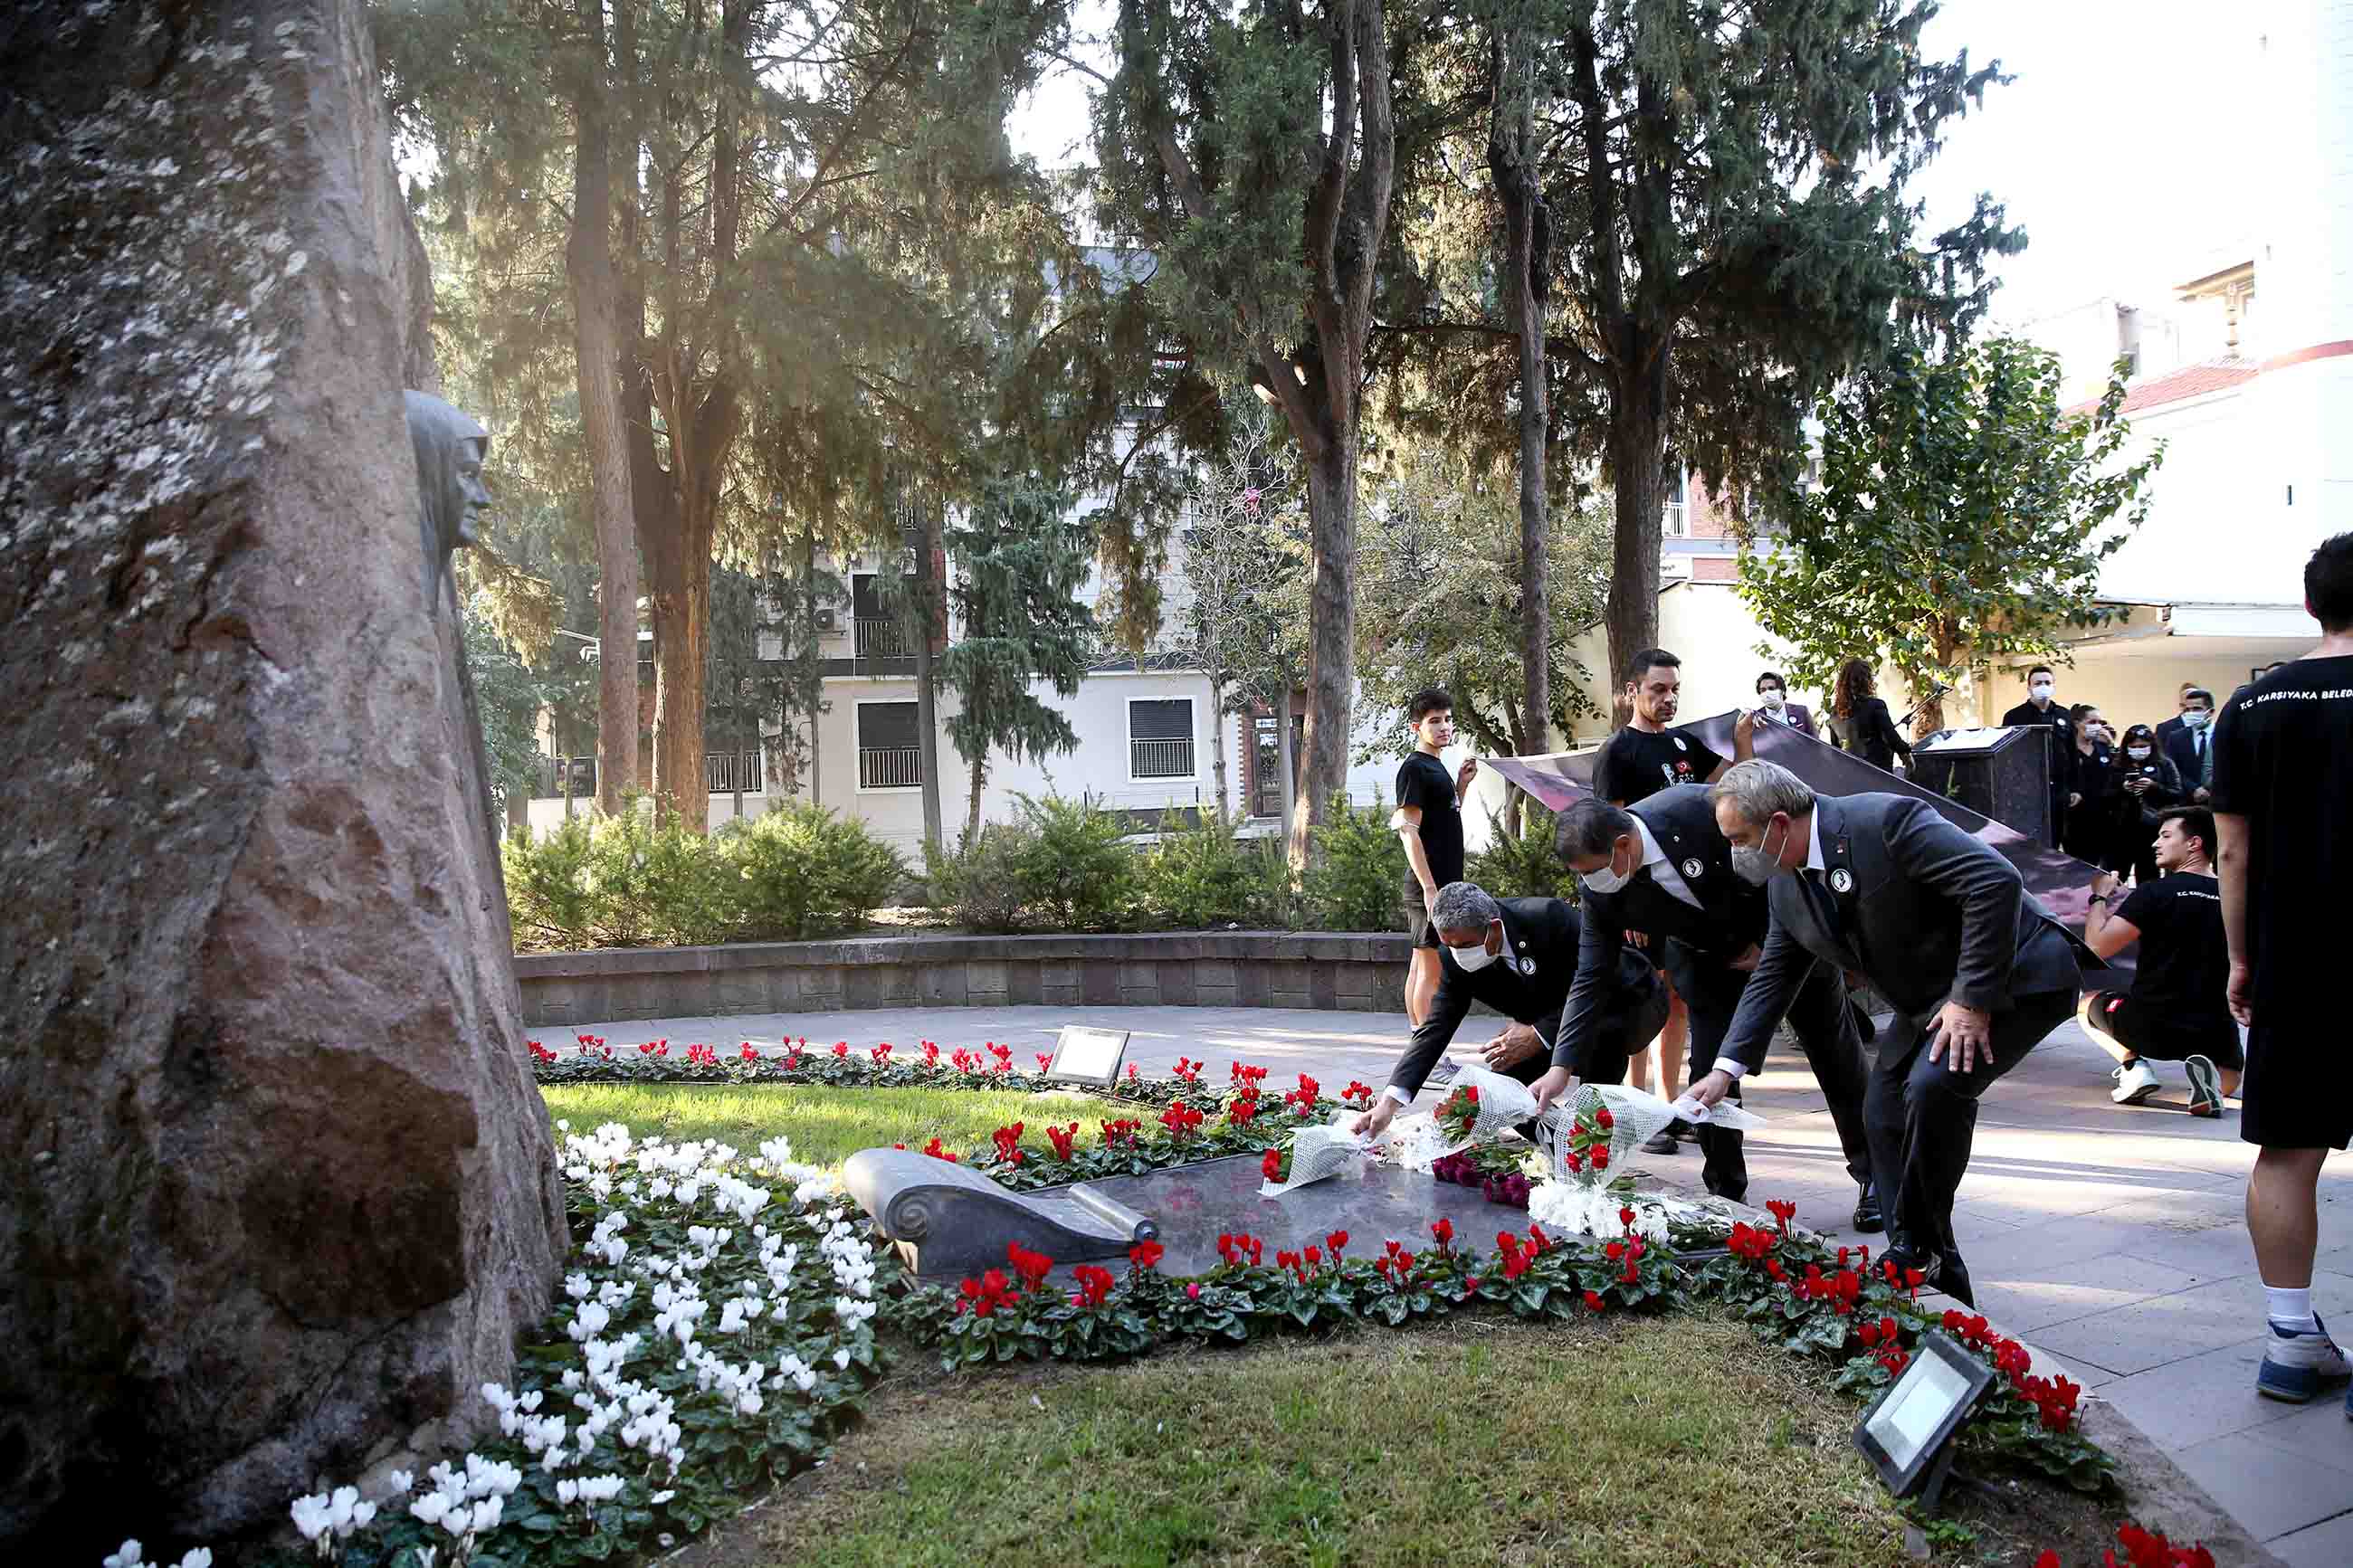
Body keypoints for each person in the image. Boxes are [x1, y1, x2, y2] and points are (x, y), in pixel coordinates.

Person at [1694, 760, 2094, 1307]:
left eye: (1740, 838)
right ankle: (1937, 1268)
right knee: (1881, 1113)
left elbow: (1995, 881)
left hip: (2016, 972)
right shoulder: (1786, 887)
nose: (1737, 852)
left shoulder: (1885, 820)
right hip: (1928, 1002)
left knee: (1933, 1087)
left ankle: (1914, 1246)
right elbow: (1773, 976)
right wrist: (1725, 1071)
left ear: (1780, 823)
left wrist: (1971, 1001)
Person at [1536, 789, 1881, 1231]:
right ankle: (1726, 1196)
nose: (1589, 883)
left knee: (1837, 1059)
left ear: (1623, 846)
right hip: (1707, 964)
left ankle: (1876, 1177)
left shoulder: (1701, 810)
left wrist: (1776, 945)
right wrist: (1562, 1066)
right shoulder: (1602, 889)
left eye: (1592, 871)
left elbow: (1785, 861)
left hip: (1789, 943)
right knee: (1709, 1077)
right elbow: (1591, 975)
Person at [2212, 529, 2353, 1407]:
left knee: (2285, 1149)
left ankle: (2288, 1337)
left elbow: (2230, 848)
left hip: (2294, 959)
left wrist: (2238, 955)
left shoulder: (2251, 704)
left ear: (2309, 603)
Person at [1591, 649, 1758, 1149]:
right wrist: (1626, 908)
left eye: (1673, 690)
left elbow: (1735, 791)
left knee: (1679, 1002)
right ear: (1632, 692)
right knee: (1647, 999)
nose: (1667, 699)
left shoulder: (1686, 744)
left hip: (1689, 897)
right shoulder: (1617, 752)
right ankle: (1638, 1109)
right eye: (1657, 690)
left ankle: (1674, 1108)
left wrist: (1743, 743)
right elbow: (1609, 835)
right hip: (1645, 901)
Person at [1348, 881, 1668, 1139]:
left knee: (1595, 1093)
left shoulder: (1549, 919)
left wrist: (1539, 1033)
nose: (1457, 955)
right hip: (1555, 1018)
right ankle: (1561, 1143)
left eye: (1464, 946)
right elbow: (1436, 1028)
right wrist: (1388, 1104)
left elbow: (1601, 986)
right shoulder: (1454, 957)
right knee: (1506, 1087)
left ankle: (1592, 1140)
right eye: (1449, 946)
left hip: (1626, 1003)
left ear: (1495, 928)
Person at [2078, 807, 2239, 1117]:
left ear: (2194, 843)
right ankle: (2211, 1087)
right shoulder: (2234, 896)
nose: (2155, 843)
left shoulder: (2154, 893)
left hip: (2151, 1024)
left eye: (2165, 836)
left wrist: (2099, 897)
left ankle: (2134, 1067)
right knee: (2229, 1081)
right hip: (2214, 1028)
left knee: (2087, 1005)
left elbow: (2098, 946)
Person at [1392, 689, 1476, 1028]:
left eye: (1448, 720)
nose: (1444, 727)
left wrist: (1461, 786)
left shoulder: (1435, 766)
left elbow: (1442, 818)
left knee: (1419, 964)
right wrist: (1430, 888)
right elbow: (1408, 831)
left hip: (1441, 882)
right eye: (1435, 721)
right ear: (1417, 727)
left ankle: (1419, 1046)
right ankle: (1431, 1055)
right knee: (1431, 969)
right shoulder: (1414, 769)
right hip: (1429, 884)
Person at [2000, 665, 2074, 849]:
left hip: (2059, 790)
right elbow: (2007, 755)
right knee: (2031, 841)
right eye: (2038, 683)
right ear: (2029, 687)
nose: (2043, 686)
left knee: (2056, 841)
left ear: (2054, 685)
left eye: (2047, 682)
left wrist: (2075, 788)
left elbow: (2072, 753)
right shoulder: (2014, 716)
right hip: (2028, 791)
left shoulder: (2063, 715)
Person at [2106, 723, 2185, 886]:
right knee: (2116, 874)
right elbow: (2105, 795)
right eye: (2133, 746)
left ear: (2152, 746)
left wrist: (2153, 786)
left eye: (2143, 746)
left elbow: (2177, 794)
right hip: (2121, 829)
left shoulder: (2164, 764)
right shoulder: (2116, 765)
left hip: (2152, 828)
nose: (2138, 750)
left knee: (2149, 875)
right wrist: (2123, 788)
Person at [1824, 658, 1913, 774]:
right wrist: (1905, 754)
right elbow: (1890, 735)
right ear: (1867, 680)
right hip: (1876, 772)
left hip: (1848, 774)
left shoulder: (1834, 714)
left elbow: (1836, 751)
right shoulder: (1875, 705)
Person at [2063, 703, 2116, 866]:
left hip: (2102, 815)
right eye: (2092, 722)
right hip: (2076, 817)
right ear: (2077, 723)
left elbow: (2115, 774)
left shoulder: (2102, 748)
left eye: (2100, 722)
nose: (2097, 727)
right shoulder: (2067, 749)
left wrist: (2111, 745)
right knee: (2079, 863)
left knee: (2100, 862)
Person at [2159, 687, 2217, 803]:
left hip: (2218, 800)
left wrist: (2208, 789)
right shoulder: (2175, 737)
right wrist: (2194, 788)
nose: (2191, 713)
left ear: (2211, 711)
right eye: (2187, 710)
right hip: (2186, 801)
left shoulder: (2225, 735)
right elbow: (2171, 769)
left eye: (2196, 709)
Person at [1755, 670, 1817, 738]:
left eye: (1771, 688)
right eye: (1763, 690)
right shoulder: (1756, 718)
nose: (1767, 693)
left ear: (1782, 691)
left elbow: (1816, 742)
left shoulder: (1801, 711)